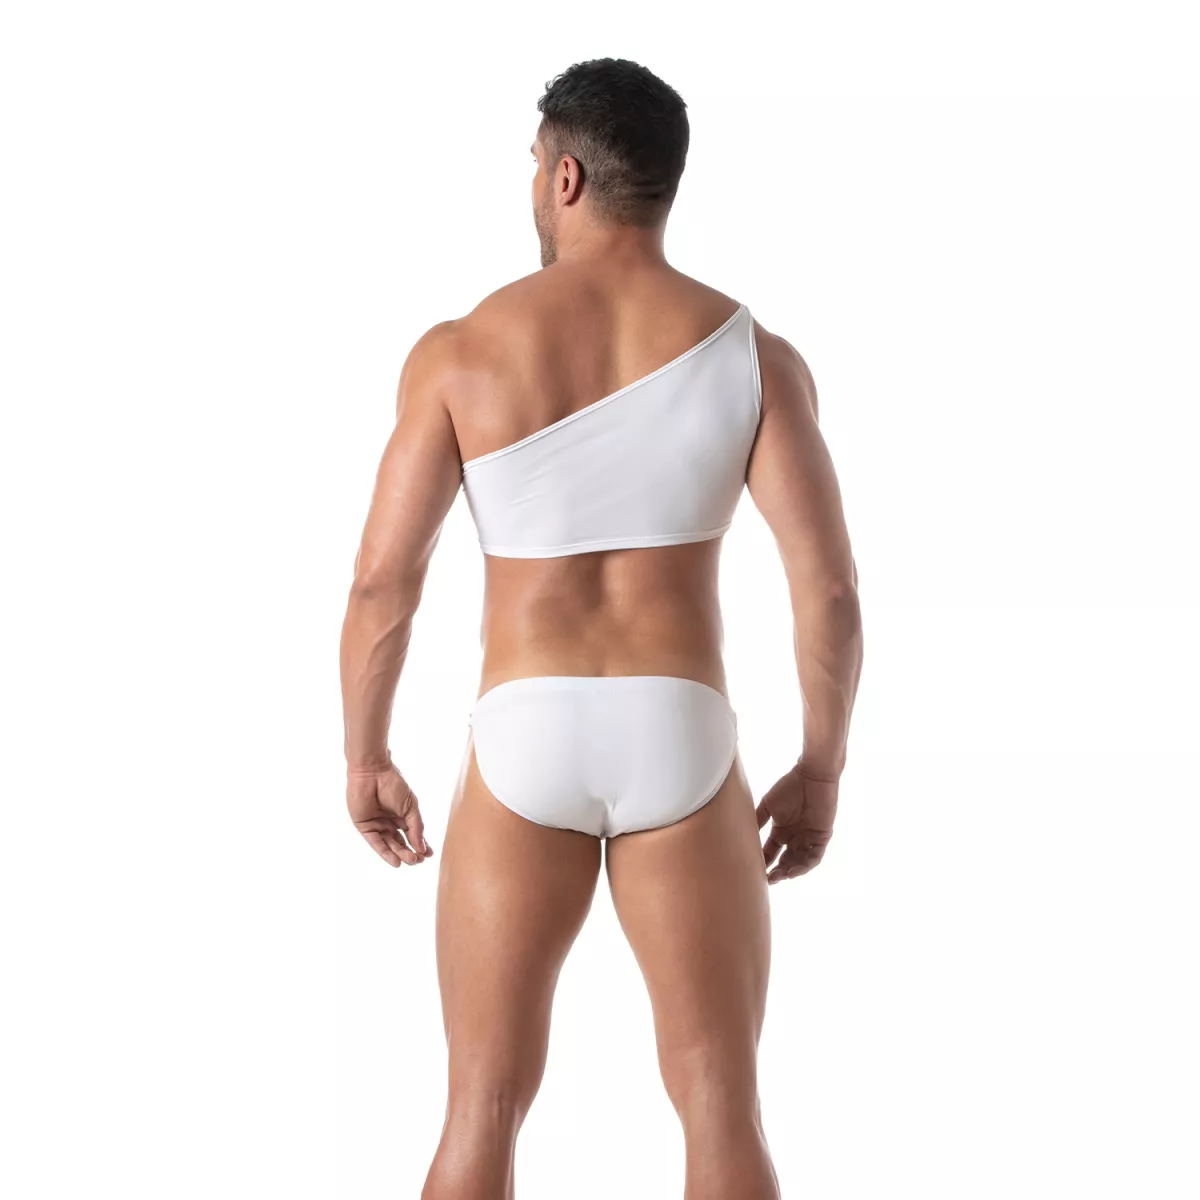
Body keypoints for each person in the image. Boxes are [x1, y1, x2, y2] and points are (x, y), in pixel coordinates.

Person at [339, 56, 863, 1200]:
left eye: (535, 166)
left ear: (566, 177)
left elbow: (384, 584)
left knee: (481, 1106)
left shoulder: (461, 353)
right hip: (681, 724)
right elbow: (827, 590)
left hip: (526, 724)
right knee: (721, 1100)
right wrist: (821, 769)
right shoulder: (755, 358)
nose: (533, 185)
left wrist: (367, 754)